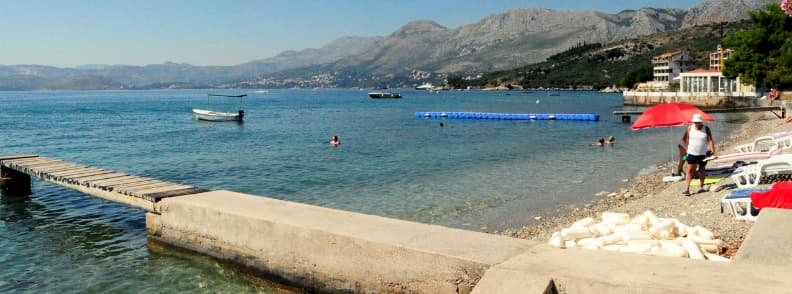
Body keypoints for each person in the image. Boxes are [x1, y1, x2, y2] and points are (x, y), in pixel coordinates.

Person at [682, 114, 715, 196]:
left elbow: (710, 140)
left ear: (701, 122)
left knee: (702, 169)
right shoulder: (690, 128)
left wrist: (712, 150)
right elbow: (687, 139)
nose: (697, 123)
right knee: (690, 170)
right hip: (692, 152)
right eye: (695, 122)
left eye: (698, 122)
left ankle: (701, 187)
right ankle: (687, 189)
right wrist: (686, 149)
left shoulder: (706, 128)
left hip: (703, 153)